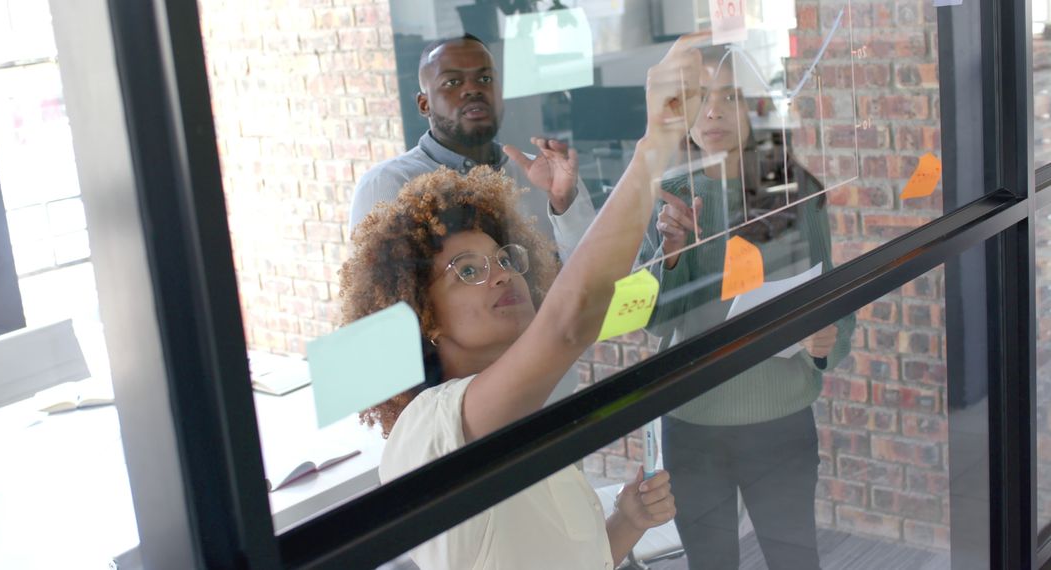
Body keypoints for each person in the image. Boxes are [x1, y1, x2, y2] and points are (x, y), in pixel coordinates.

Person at [338, 35, 707, 570]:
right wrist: (657, 142)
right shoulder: (440, 431)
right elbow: (567, 318)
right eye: (466, 271)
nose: (503, 277)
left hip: (543, 421)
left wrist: (626, 522)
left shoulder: (532, 175)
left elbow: (572, 555)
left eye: (507, 259)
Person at [636, 49, 855, 569]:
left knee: (793, 557)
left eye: (729, 98)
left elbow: (832, 300)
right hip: (692, 419)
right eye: (699, 99)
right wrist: (670, 255)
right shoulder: (668, 195)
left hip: (779, 416)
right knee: (710, 561)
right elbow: (656, 323)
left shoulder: (794, 191)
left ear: (756, 108)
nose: (712, 113)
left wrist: (828, 342)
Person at [348, 33, 595, 264]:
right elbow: (381, 303)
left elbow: (595, 274)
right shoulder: (389, 184)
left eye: (485, 79)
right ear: (424, 104)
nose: (473, 89)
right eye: (452, 81)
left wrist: (563, 202)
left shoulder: (546, 176)